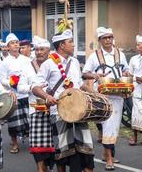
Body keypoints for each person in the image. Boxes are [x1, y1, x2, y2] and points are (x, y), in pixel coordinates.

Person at [32, 29, 94, 172]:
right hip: (60, 111)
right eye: (70, 42)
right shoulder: (48, 64)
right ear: (61, 45)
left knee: (85, 148)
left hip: (79, 110)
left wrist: (94, 93)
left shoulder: (75, 62)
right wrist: (47, 97)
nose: (73, 45)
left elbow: (79, 84)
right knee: (63, 152)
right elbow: (35, 86)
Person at [82, 27, 130, 170]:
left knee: (114, 126)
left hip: (118, 95)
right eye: (105, 38)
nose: (108, 40)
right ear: (100, 40)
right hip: (102, 96)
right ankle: (109, 158)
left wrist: (127, 72)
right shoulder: (94, 56)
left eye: (110, 37)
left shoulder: (120, 54)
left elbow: (126, 70)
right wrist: (96, 76)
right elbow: (84, 74)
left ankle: (107, 153)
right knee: (107, 124)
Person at [18, 36, 54, 172]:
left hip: (55, 108)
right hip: (36, 109)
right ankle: (40, 169)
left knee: (53, 144)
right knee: (38, 144)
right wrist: (33, 87)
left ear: (48, 51)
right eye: (37, 49)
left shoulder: (54, 65)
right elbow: (20, 87)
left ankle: (47, 167)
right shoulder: (27, 67)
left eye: (42, 49)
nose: (39, 52)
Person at [0, 33, 31, 154]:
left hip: (26, 94)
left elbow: (30, 75)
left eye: (17, 42)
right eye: (12, 43)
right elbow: (1, 79)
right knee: (14, 122)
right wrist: (11, 82)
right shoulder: (5, 62)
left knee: (29, 119)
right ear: (7, 47)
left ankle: (33, 142)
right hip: (13, 95)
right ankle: (15, 143)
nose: (16, 45)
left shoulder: (27, 60)